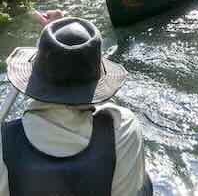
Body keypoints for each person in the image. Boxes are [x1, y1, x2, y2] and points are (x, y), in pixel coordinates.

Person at [0, 12, 152, 196]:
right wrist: (72, 56)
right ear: (97, 83)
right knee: (145, 184)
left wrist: (55, 52)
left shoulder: (4, 142)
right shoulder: (124, 128)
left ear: (34, 78)